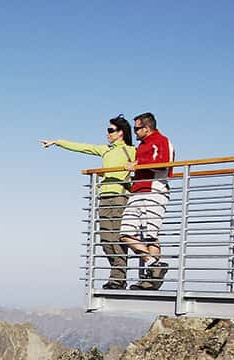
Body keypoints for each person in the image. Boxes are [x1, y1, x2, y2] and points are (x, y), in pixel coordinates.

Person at [41, 117, 137, 289]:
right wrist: (57, 142)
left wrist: (136, 164)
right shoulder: (106, 150)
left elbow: (148, 160)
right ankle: (117, 276)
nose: (107, 134)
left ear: (121, 132)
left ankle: (118, 278)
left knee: (117, 238)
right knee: (105, 240)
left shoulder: (131, 150)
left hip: (120, 196)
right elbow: (84, 148)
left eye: (111, 130)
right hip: (104, 197)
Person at [120, 112, 175, 290]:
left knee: (151, 236)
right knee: (125, 233)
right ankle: (153, 264)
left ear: (147, 127)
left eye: (137, 128)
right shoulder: (143, 145)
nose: (134, 132)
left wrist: (138, 163)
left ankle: (149, 282)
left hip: (154, 190)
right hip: (137, 191)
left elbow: (164, 163)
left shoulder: (162, 141)